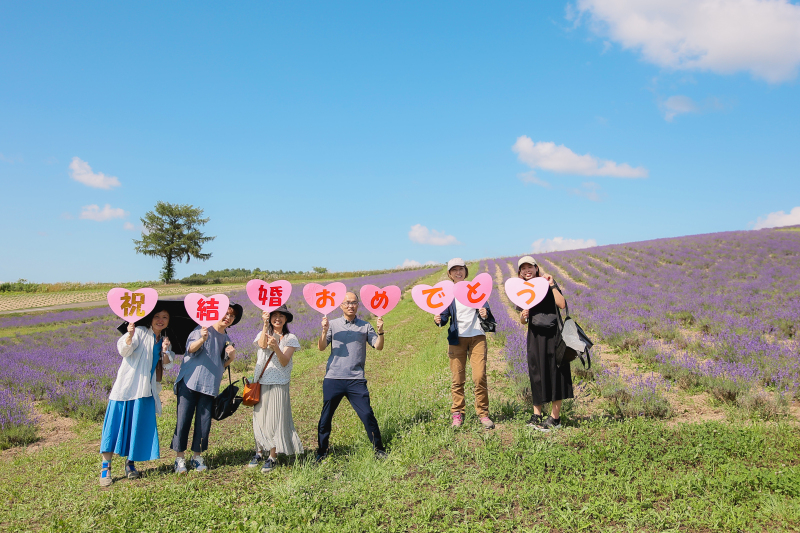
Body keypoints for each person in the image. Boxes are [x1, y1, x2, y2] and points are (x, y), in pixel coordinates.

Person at [99, 304, 174, 486]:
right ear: (150, 318)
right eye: (157, 316)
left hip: (145, 391)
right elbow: (124, 350)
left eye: (164, 317)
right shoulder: (140, 331)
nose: (160, 320)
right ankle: (105, 468)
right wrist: (130, 335)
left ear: (168, 321)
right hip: (126, 388)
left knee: (136, 428)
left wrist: (165, 350)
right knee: (113, 427)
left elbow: (168, 364)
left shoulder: (164, 340)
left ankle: (130, 464)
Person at [171, 303, 243, 473]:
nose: (228, 318)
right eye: (226, 313)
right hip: (189, 382)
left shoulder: (227, 339)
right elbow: (189, 349)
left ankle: (197, 456)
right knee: (183, 421)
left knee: (204, 423)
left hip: (210, 385)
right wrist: (202, 339)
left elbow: (221, 365)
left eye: (231, 316)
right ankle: (179, 458)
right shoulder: (202, 328)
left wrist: (231, 358)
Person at [316, 292, 387, 461]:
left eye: (354, 302)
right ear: (341, 306)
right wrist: (324, 331)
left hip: (356, 379)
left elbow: (378, 346)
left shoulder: (365, 326)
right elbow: (321, 347)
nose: (350, 305)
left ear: (358, 305)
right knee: (326, 416)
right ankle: (322, 451)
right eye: (347, 303)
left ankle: (379, 449)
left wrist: (381, 332)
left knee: (367, 414)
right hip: (333, 378)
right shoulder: (332, 324)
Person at [434, 258, 495, 429]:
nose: (458, 272)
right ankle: (458, 413)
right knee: (457, 378)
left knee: (479, 377)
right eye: (454, 270)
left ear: (465, 271)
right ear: (450, 274)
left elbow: (487, 311)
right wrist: (439, 319)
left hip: (477, 337)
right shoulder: (448, 293)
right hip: (457, 339)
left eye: (461, 269)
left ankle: (483, 414)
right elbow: (444, 317)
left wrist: (485, 312)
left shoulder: (474, 288)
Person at [247, 304, 303, 473]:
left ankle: (272, 456)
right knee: (259, 418)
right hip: (261, 381)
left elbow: (284, 361)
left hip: (279, 382)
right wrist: (265, 326)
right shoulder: (263, 333)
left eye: (281, 315)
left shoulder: (290, 337)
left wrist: (277, 347)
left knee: (275, 420)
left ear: (286, 319)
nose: (277, 318)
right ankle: (258, 452)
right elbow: (262, 345)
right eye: (274, 315)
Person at [517, 255, 569, 431]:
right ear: (520, 272)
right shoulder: (522, 289)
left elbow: (562, 304)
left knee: (556, 372)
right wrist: (523, 316)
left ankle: (555, 418)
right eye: (523, 268)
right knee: (536, 373)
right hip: (535, 335)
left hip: (553, 334)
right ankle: (537, 414)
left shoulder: (547, 283)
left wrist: (552, 284)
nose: (527, 270)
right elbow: (523, 321)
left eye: (529, 267)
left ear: (536, 268)